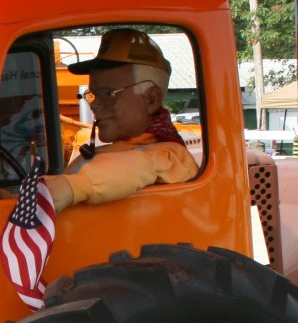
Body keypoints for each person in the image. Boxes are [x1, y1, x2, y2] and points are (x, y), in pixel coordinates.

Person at [51, 28, 196, 211]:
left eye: (108, 94)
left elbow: (139, 166)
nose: (94, 105)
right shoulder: (105, 153)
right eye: (94, 95)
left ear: (151, 100)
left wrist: (74, 186)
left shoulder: (171, 157)